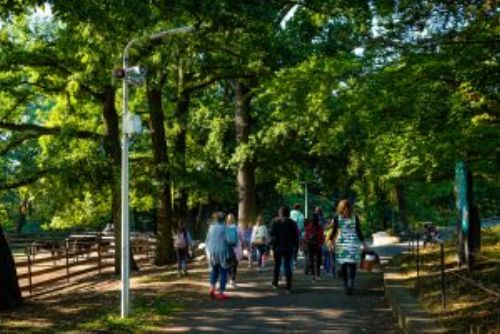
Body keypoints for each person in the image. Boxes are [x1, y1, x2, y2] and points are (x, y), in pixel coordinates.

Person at [330, 199, 366, 295]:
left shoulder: (346, 218)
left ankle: (349, 283)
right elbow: (334, 231)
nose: (346, 210)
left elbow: (358, 231)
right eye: (345, 208)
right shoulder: (345, 218)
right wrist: (331, 242)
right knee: (348, 265)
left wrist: (331, 241)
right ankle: (348, 283)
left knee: (348, 265)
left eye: (347, 208)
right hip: (347, 244)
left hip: (348, 244)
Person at [270, 205, 299, 294]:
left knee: (277, 265)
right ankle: (288, 287)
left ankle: (275, 283)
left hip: (278, 247)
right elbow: (296, 236)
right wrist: (295, 246)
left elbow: (271, 234)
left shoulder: (275, 221)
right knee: (287, 266)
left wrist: (271, 245)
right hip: (288, 247)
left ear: (280, 212)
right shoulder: (292, 222)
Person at [205, 212, 230, 299]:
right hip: (222, 251)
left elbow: (207, 240)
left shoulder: (211, 227)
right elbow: (230, 240)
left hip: (212, 251)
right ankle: (221, 292)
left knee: (214, 270)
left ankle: (212, 288)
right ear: (224, 219)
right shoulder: (225, 228)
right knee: (223, 272)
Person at [304, 216, 324, 281]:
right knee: (318, 261)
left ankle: (313, 276)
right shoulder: (319, 227)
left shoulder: (308, 227)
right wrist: (321, 243)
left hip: (310, 245)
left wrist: (306, 242)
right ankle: (318, 275)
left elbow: (306, 237)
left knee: (311, 260)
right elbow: (321, 237)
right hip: (317, 245)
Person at [226, 213, 243, 287]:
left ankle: (230, 277)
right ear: (233, 219)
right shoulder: (237, 227)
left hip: (227, 248)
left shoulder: (225, 227)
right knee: (235, 264)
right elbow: (241, 237)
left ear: (227, 219)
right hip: (236, 248)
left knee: (228, 264)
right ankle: (233, 279)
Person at [289, 204, 305, 268]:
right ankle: (294, 261)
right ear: (299, 208)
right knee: (296, 248)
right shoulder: (301, 215)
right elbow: (302, 226)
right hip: (297, 233)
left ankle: (290, 260)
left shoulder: (290, 213)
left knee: (290, 247)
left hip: (289, 233)